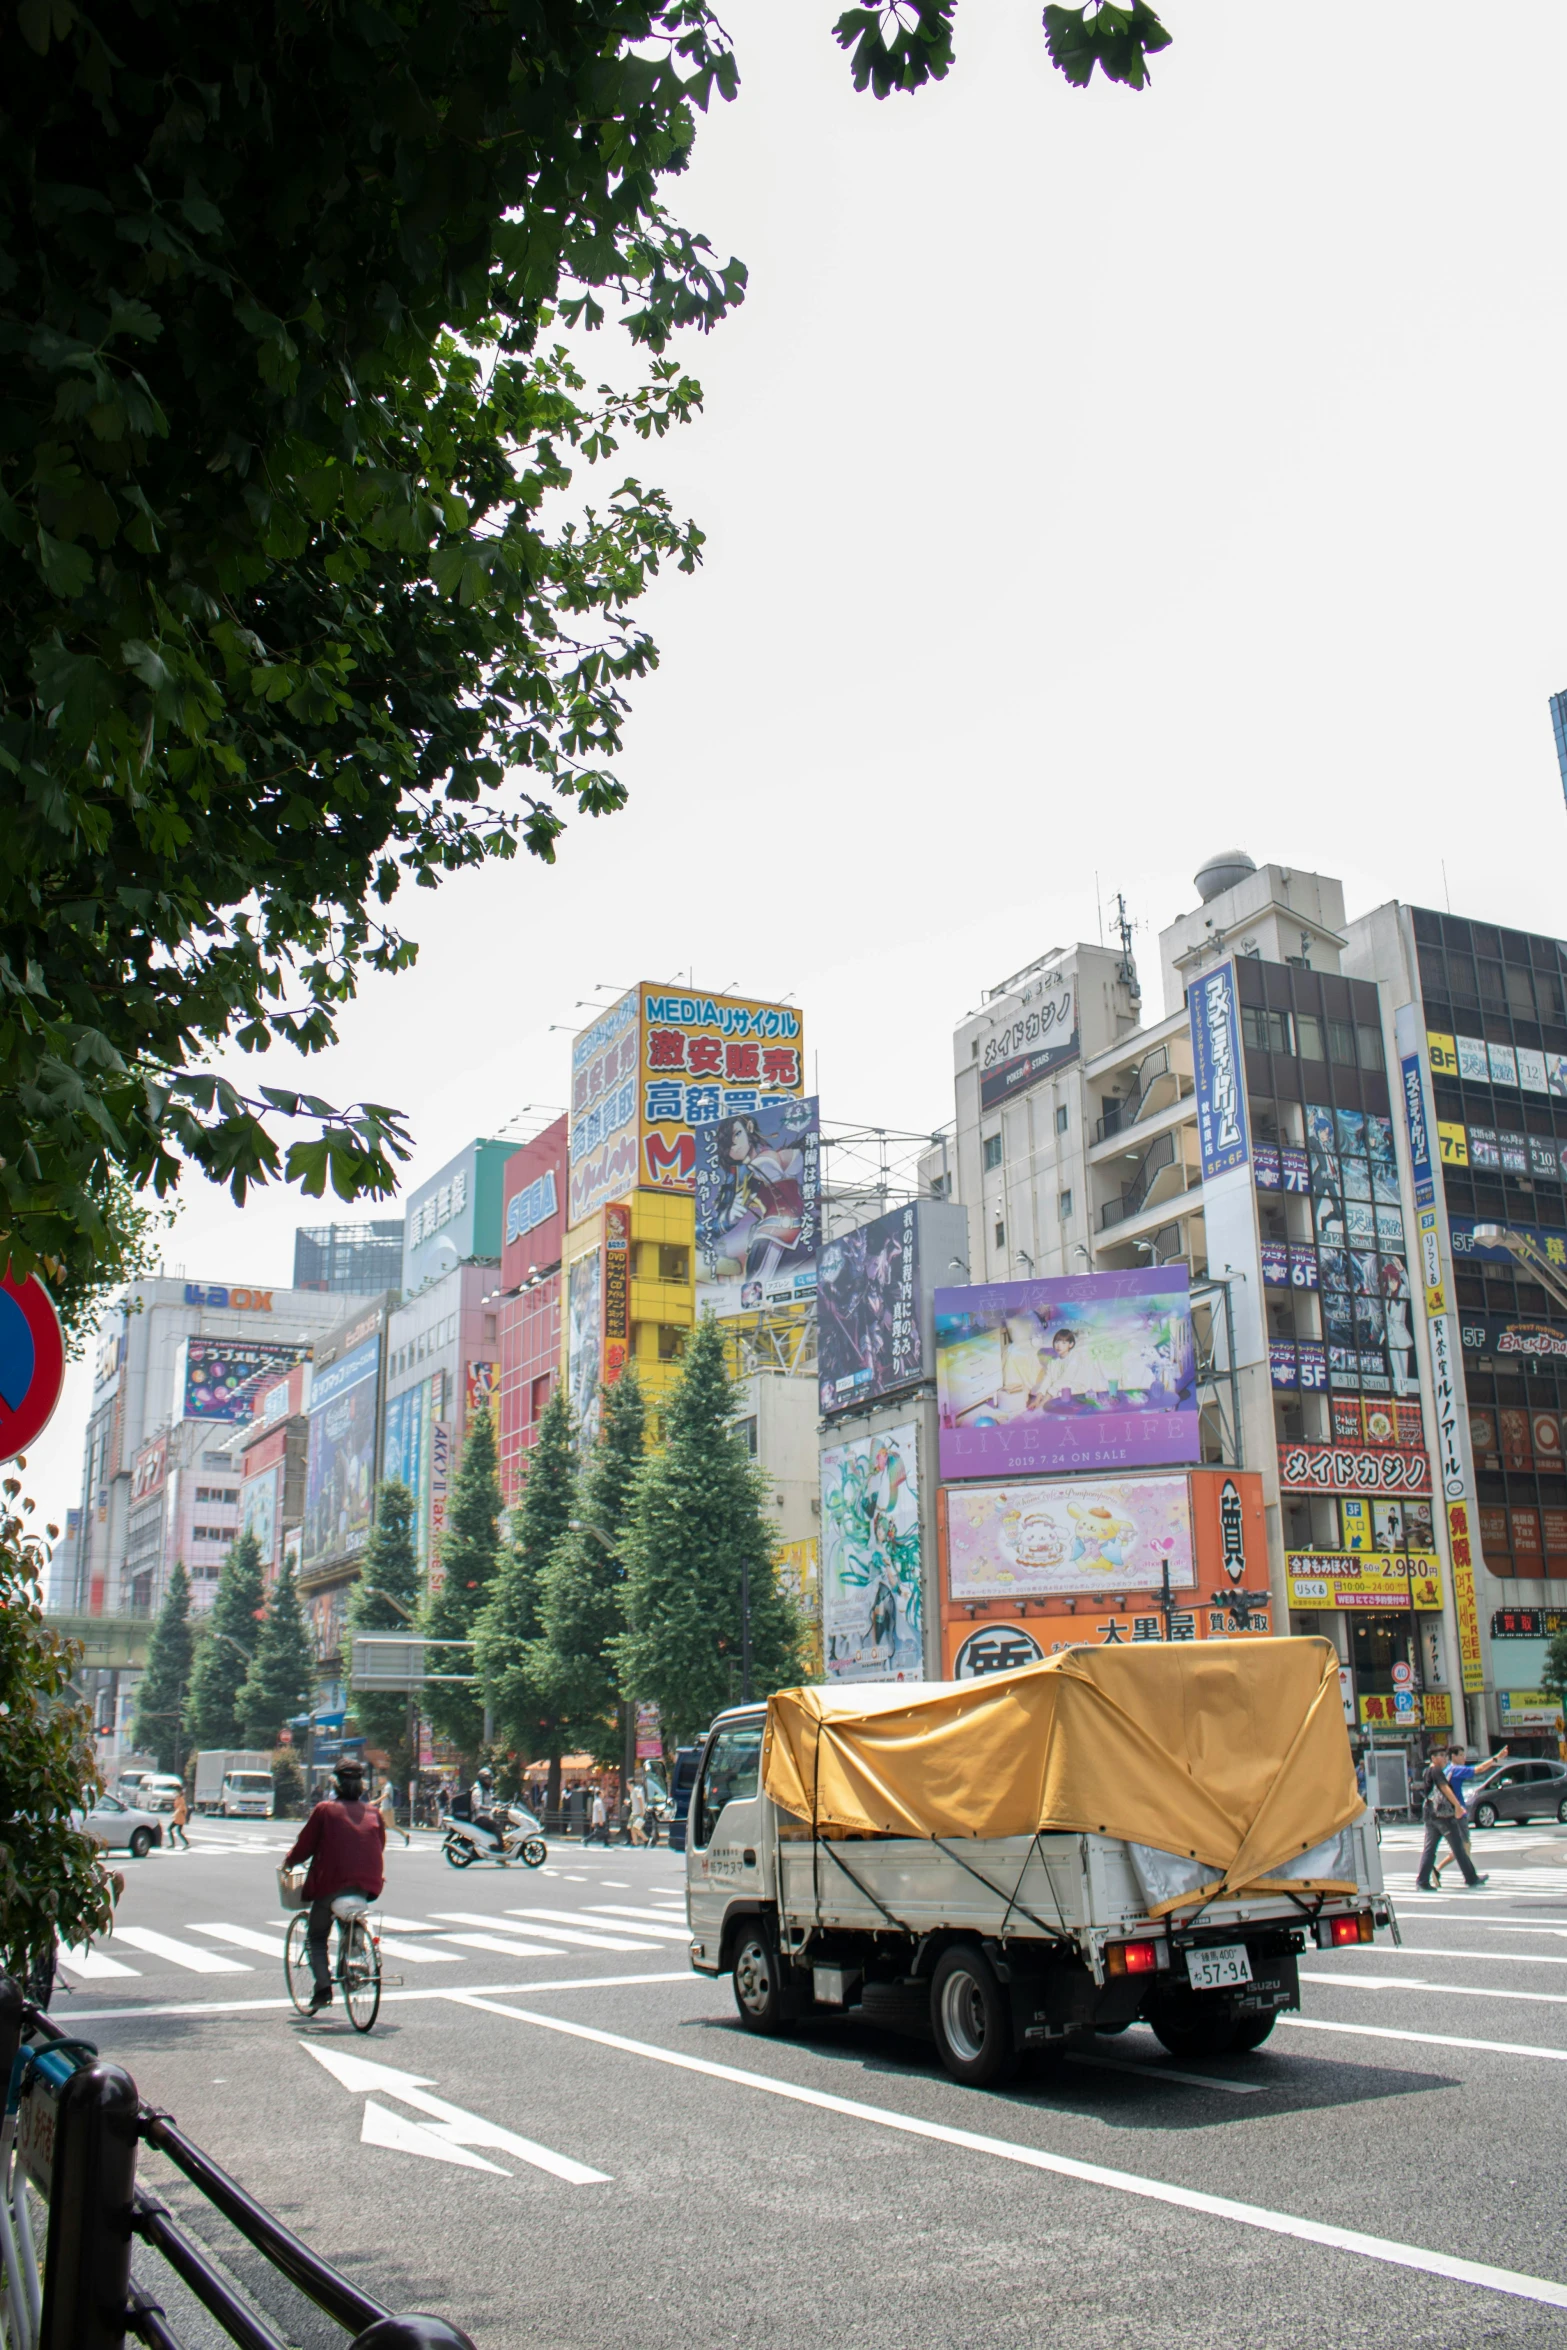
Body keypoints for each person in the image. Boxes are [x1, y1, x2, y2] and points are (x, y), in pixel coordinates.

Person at [282, 1757, 386, 2014]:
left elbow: (305, 1846)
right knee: (351, 1921)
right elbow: (379, 1845)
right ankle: (353, 1961)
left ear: (336, 1784)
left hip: (330, 1884)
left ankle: (323, 1988)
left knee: (316, 1936)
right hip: (365, 1884)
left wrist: (289, 1862)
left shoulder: (325, 1810)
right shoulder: (374, 1813)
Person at [1415, 1745, 1488, 1892]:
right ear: (1433, 1759)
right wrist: (1457, 1806)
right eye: (1440, 1755)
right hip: (1443, 1816)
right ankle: (1471, 1878)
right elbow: (1444, 1788)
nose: (1444, 1757)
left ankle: (1422, 1881)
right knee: (1458, 1846)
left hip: (1430, 1814)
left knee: (1430, 1848)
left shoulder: (1427, 1771)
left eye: (1444, 1755)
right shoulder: (1436, 1770)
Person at [378, 1776, 410, 1847]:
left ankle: (377, 1840)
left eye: (380, 1779)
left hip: (386, 1809)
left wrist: (375, 1802)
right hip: (385, 1808)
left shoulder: (388, 1786)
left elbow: (385, 1796)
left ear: (384, 1778)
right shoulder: (386, 1786)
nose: (379, 1781)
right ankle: (405, 1835)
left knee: (387, 1824)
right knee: (387, 1825)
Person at [168, 1784, 191, 1851]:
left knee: (177, 1831)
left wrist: (175, 1813)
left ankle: (185, 1844)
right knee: (173, 1830)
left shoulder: (181, 1799)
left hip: (180, 1818)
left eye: (176, 1791)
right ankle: (174, 1844)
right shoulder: (177, 1798)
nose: (175, 1793)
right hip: (177, 1818)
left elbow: (181, 1808)